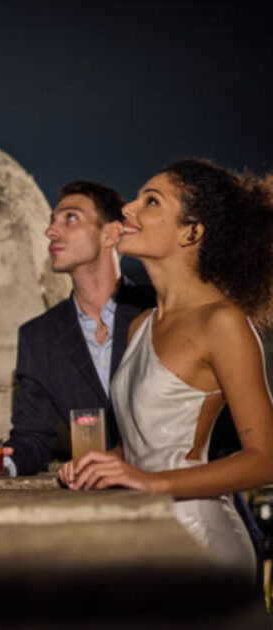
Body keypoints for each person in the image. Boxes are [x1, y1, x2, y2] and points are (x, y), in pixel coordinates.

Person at [60, 159, 273, 575]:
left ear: (191, 232)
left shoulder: (222, 322)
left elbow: (265, 458)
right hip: (149, 533)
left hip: (201, 542)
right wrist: (102, 464)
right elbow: (147, 442)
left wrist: (152, 483)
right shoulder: (140, 325)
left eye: (151, 201)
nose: (128, 209)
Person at [0, 181, 154, 478]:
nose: (51, 232)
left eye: (70, 218)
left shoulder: (157, 309)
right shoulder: (38, 336)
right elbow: (33, 437)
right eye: (51, 221)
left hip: (175, 492)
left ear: (111, 233)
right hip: (101, 505)